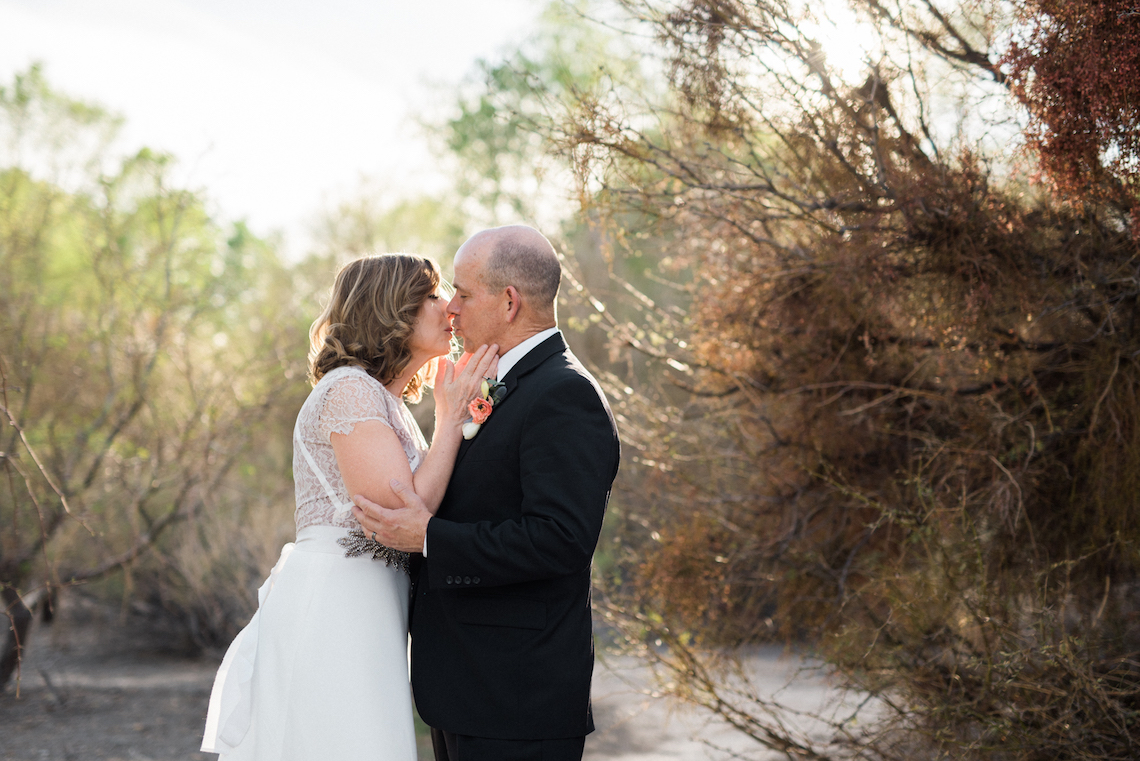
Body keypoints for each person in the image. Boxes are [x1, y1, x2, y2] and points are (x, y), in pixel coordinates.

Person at [200, 254, 497, 760]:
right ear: (392, 309)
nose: (448, 306)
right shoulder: (349, 390)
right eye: (431, 296)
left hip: (370, 601)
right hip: (336, 604)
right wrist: (450, 420)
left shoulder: (384, 400)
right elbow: (403, 514)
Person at [354, 226, 622, 761]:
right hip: (467, 691)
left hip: (516, 699)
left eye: (463, 293)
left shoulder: (564, 393)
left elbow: (559, 540)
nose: (451, 308)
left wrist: (429, 537)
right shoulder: (506, 384)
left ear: (509, 302)